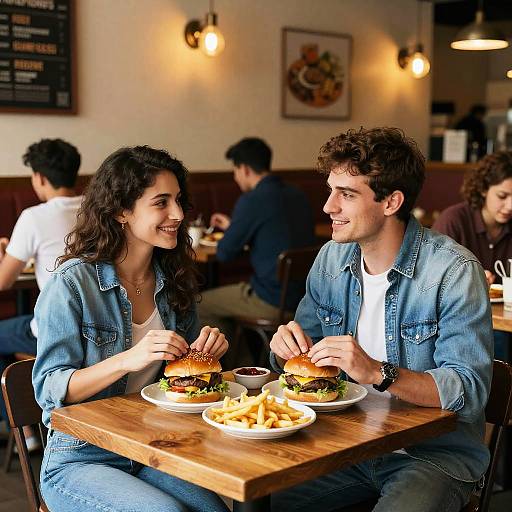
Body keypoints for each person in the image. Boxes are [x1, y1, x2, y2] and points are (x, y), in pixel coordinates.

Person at [269, 127, 493, 512]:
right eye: (330, 190)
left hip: (431, 457)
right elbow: (301, 358)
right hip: (344, 443)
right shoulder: (331, 260)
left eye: (347, 194)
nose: (329, 207)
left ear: (391, 202)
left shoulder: (453, 271)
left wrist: (377, 372)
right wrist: (283, 350)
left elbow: (469, 390)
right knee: (263, 504)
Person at [32, 146, 230, 512]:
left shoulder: (173, 279)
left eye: (179, 200)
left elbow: (176, 378)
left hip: (153, 446)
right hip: (82, 458)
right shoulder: (72, 284)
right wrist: (128, 360)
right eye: (161, 202)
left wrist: (202, 354)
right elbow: (48, 389)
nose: (178, 214)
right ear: (122, 211)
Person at [197, 137, 315, 368]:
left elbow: (224, 253)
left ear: (244, 168)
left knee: (200, 303)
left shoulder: (252, 200)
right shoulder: (297, 194)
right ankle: (246, 362)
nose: (235, 177)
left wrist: (234, 231)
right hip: (302, 296)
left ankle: (236, 367)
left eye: (235, 171)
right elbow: (275, 232)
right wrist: (236, 226)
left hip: (271, 298)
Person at [0, 138, 82, 441]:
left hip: (52, 332)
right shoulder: (96, 209)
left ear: (40, 177)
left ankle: (24, 428)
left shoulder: (34, 216)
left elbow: (3, 282)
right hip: (96, 329)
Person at [433, 151, 512, 360]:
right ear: (484, 188)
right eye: (502, 196)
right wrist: (468, 279)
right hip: (459, 316)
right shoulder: (454, 220)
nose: (510, 206)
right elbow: (430, 279)